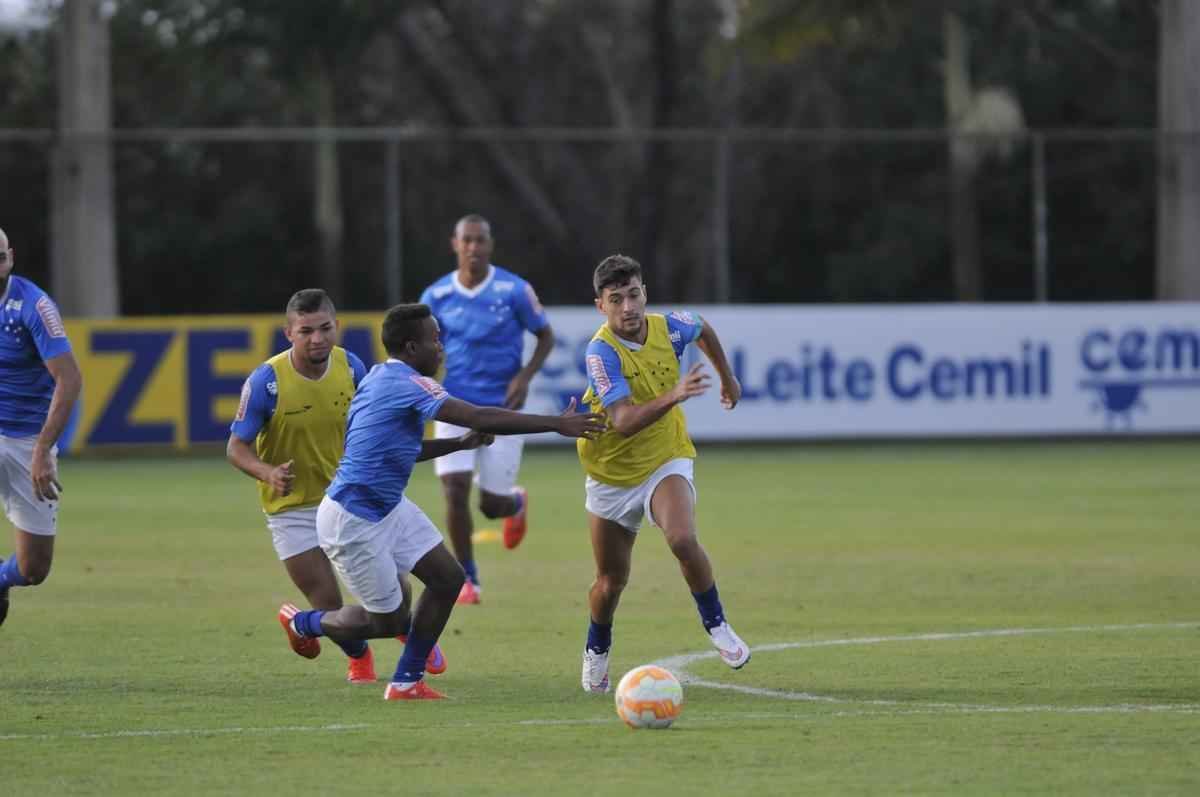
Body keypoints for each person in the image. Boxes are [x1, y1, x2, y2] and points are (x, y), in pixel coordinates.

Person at [280, 303, 605, 700]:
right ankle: (306, 624)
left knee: (449, 578)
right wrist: (557, 423)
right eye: (435, 339)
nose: (442, 347)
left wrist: (459, 444)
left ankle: (406, 681)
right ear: (412, 346)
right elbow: (478, 416)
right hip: (354, 518)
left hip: (386, 507)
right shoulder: (408, 383)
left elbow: (403, 449)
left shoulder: (382, 376)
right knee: (388, 620)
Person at [228, 288, 448, 684]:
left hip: (353, 498)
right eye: (306, 331)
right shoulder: (267, 381)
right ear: (288, 333)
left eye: (325, 328)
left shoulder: (352, 367)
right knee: (330, 604)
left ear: (337, 327)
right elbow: (236, 447)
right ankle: (358, 656)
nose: (318, 339)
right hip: (292, 509)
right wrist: (268, 472)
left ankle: (407, 631)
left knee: (396, 588)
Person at [576, 254, 750, 693]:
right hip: (610, 473)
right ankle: (597, 648)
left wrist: (726, 378)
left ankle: (717, 625)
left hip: (664, 457)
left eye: (633, 295)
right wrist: (675, 394)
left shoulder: (669, 326)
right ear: (601, 306)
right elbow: (623, 420)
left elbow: (703, 327)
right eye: (616, 300)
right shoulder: (600, 352)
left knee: (682, 538)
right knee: (610, 582)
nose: (628, 307)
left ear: (644, 293)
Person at [419, 214, 554, 605]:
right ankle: (467, 579)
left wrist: (524, 377)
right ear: (455, 244)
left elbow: (545, 335)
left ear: (489, 245)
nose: (473, 248)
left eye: (480, 241)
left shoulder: (514, 289)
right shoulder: (436, 295)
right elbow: (420, 345)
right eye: (467, 241)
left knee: (491, 506)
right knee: (454, 490)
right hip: (452, 404)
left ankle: (515, 502)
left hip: (502, 407)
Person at [0, 226, 83, 627]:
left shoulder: (33, 307)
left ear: (10, 257)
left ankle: (0, 578)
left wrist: (41, 453)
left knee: (34, 569)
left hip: (26, 439)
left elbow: (69, 379)